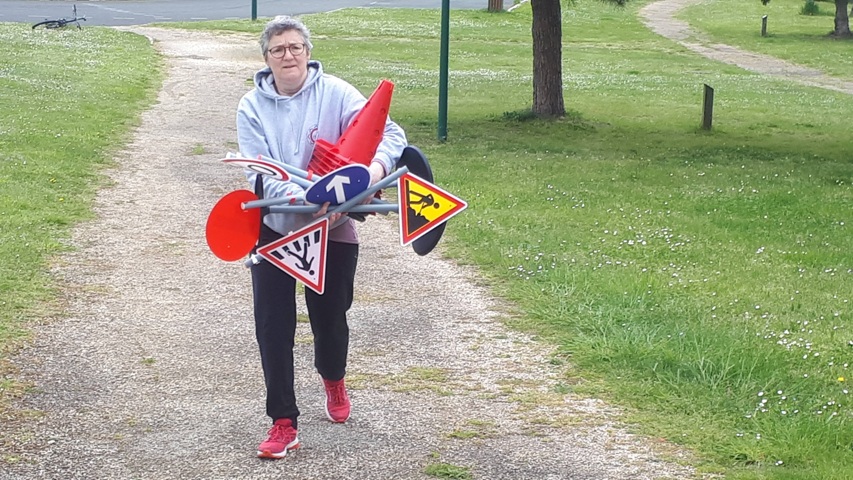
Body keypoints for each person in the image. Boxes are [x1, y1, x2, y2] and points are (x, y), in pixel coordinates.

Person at [235, 15, 407, 459]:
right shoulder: (251, 106)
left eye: (295, 47)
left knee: (329, 317)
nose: (287, 55)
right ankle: (283, 421)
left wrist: (371, 172)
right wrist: (307, 197)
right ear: (266, 58)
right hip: (276, 228)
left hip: (335, 228)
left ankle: (333, 376)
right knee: (273, 327)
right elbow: (260, 168)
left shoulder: (337, 93)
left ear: (308, 53)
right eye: (278, 50)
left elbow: (390, 133)